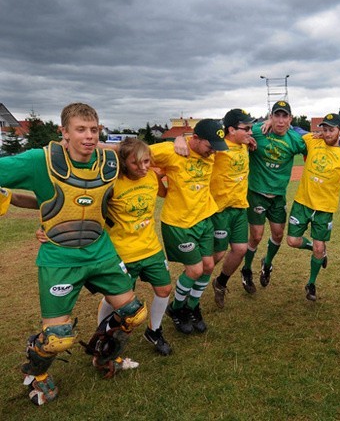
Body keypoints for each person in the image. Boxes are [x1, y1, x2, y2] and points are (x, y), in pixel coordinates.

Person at [0, 103, 147, 405]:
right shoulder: (39, 161)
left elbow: (142, 153)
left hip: (100, 251)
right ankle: (36, 374)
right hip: (59, 257)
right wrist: (11, 199)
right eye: (81, 129)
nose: (89, 136)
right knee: (57, 337)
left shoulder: (109, 161)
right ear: (64, 132)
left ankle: (105, 357)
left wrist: (184, 139)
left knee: (134, 313)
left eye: (94, 129)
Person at [96, 138, 173, 356]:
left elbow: (166, 192)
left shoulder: (152, 176)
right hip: (122, 252)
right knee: (116, 299)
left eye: (147, 161)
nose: (143, 167)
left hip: (151, 247)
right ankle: (101, 335)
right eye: (135, 163)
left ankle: (154, 330)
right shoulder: (111, 182)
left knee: (164, 289)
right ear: (122, 162)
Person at [152, 118, 227, 334]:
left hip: (204, 219)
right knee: (194, 270)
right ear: (195, 138)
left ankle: (193, 307)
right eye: (209, 146)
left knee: (209, 266)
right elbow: (131, 153)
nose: (213, 152)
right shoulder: (170, 151)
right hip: (179, 223)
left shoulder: (209, 152)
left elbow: (236, 134)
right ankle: (176, 309)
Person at [286, 113, 340, 301]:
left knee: (320, 248)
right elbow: (292, 128)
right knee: (292, 241)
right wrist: (269, 122)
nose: (326, 133)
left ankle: (311, 283)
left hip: (324, 209)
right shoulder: (312, 141)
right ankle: (314, 249)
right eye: (324, 129)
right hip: (302, 203)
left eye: (331, 130)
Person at [240, 100, 307, 292]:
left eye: (284, 116)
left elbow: (317, 142)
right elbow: (231, 132)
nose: (280, 120)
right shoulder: (258, 131)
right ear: (270, 117)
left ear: (290, 119)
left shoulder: (295, 139)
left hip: (278, 196)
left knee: (278, 235)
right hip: (256, 193)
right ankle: (246, 270)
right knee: (256, 236)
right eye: (276, 115)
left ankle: (266, 264)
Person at [197, 109, 256, 307]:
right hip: (220, 210)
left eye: (251, 128)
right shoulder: (218, 148)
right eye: (246, 128)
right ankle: (190, 287)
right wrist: (180, 139)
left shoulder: (244, 144)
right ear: (231, 129)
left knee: (240, 249)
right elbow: (197, 143)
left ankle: (220, 282)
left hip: (239, 207)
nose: (250, 132)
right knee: (216, 255)